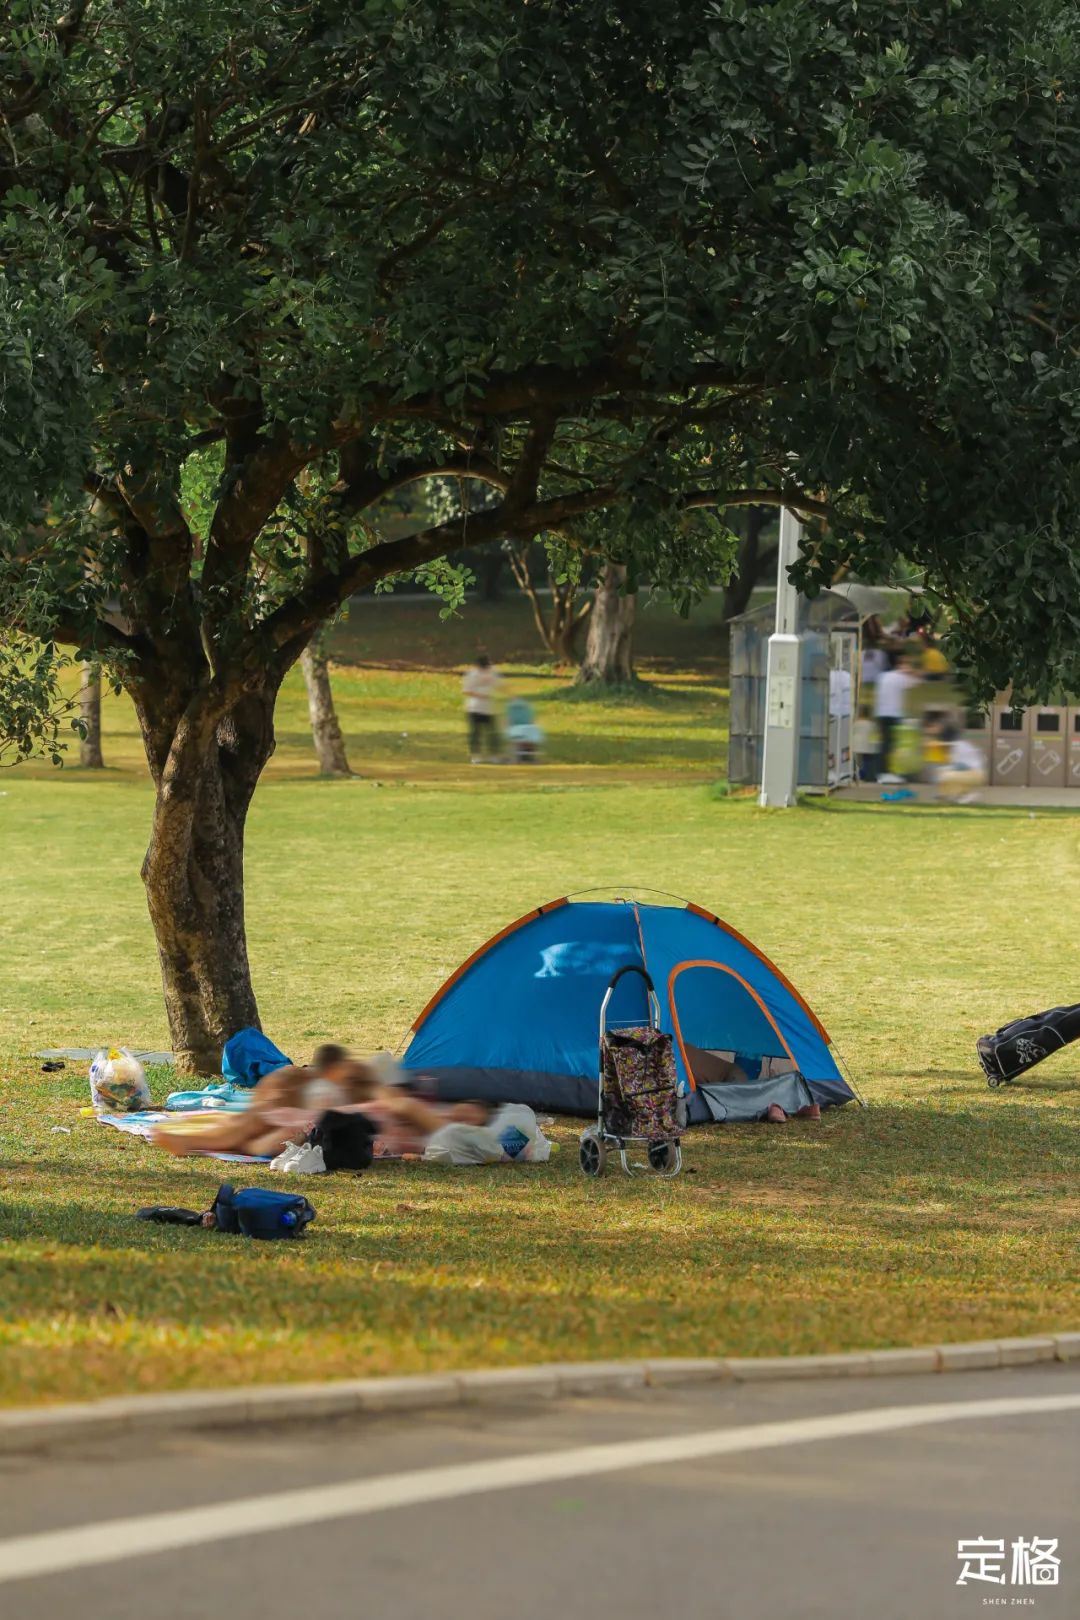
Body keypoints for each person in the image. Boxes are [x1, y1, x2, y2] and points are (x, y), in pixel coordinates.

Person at [874, 651, 919, 780]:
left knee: (884, 744)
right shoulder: (901, 677)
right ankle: (889, 773)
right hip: (893, 715)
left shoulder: (882, 676)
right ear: (900, 665)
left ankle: (881, 772)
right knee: (893, 745)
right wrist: (910, 671)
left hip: (881, 714)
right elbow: (917, 682)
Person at [462, 652, 502, 763]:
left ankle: (494, 755)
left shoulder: (492, 672)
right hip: (474, 708)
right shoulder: (472, 674)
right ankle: (476, 756)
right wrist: (482, 696)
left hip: (489, 709)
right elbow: (466, 691)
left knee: (492, 733)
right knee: (475, 733)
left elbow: (499, 685)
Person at [933, 723, 987, 804]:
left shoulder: (958, 746)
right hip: (975, 773)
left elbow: (962, 766)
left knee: (945, 775)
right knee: (944, 773)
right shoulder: (960, 744)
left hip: (975, 773)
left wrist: (946, 770)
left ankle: (965, 794)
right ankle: (953, 795)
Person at [852, 701, 880, 782]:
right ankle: (866, 775)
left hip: (857, 744)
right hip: (867, 745)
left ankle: (858, 775)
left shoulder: (857, 722)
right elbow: (874, 735)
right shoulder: (871, 723)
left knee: (858, 762)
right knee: (867, 762)